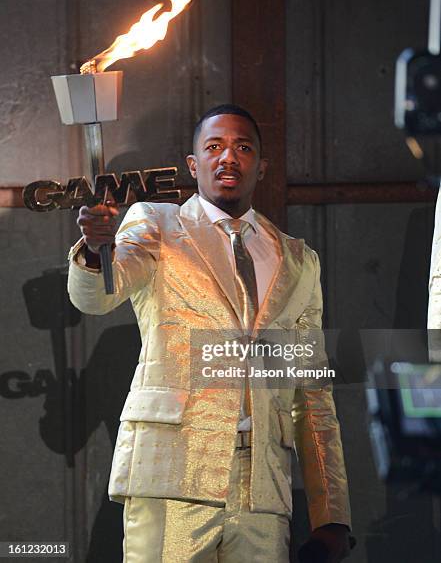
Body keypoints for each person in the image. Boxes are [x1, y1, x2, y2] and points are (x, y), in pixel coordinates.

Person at [67, 104, 353, 562]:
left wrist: (331, 514)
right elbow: (98, 296)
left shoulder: (299, 260)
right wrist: (98, 250)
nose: (229, 158)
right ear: (193, 165)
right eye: (214, 147)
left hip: (263, 488)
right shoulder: (158, 224)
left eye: (243, 147)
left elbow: (312, 393)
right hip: (172, 475)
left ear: (262, 165)